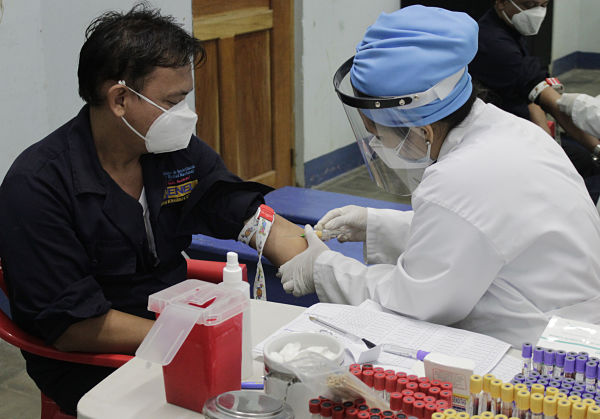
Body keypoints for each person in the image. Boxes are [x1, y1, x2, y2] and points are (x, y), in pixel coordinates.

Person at [0, 5, 305, 415]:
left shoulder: (169, 150)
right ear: (121, 99)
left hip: (176, 325)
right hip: (92, 360)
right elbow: (74, 326)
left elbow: (239, 208)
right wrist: (193, 337)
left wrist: (316, 262)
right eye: (172, 101)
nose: (186, 114)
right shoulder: (38, 186)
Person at [278, 5, 600, 348]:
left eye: (378, 133)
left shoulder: (459, 180)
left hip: (537, 356)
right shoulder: (510, 132)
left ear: (424, 132)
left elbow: (411, 305)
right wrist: (374, 225)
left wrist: (323, 268)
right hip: (571, 324)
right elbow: (477, 236)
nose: (374, 144)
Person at [469, 0, 600, 181]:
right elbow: (554, 104)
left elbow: (532, 94)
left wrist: (547, 140)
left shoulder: (512, 28)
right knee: (583, 164)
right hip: (501, 142)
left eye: (544, 5)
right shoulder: (495, 44)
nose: (537, 12)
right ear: (501, 3)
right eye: (529, 5)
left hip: (521, 126)